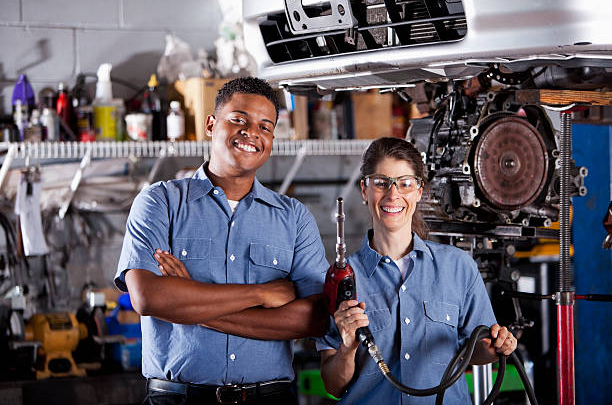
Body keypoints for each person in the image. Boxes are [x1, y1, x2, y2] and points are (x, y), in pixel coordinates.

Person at [114, 77, 329, 405]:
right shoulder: (159, 203)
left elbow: (314, 317)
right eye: (239, 120)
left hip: (269, 398)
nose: (252, 133)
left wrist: (188, 302)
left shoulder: (294, 218)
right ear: (211, 125)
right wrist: (261, 293)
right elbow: (146, 297)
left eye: (265, 126)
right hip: (178, 399)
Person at [316, 137, 518, 404]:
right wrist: (347, 347)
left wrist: (496, 347)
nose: (393, 194)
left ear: (420, 191)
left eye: (405, 183)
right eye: (381, 183)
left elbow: (478, 349)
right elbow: (333, 385)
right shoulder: (342, 279)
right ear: (364, 190)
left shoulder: (458, 267)